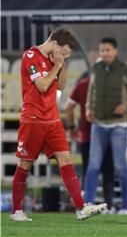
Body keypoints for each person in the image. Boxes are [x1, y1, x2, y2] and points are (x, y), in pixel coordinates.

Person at [10, 27, 106, 222]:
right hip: (33, 120)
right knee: (25, 164)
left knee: (66, 160)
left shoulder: (56, 58)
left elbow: (60, 86)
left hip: (52, 119)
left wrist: (64, 64)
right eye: (63, 51)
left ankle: (80, 208)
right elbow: (43, 86)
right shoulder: (31, 56)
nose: (63, 54)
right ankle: (17, 211)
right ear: (54, 43)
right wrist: (57, 64)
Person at [84, 37, 127, 214]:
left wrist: (126, 105)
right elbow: (91, 90)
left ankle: (126, 207)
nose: (104, 53)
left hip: (119, 125)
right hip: (98, 124)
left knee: (121, 166)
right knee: (93, 166)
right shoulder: (96, 68)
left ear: (115, 51)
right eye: (102, 50)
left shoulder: (125, 70)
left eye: (108, 50)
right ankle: (88, 205)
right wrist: (88, 107)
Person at [65, 75, 115, 212]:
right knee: (108, 172)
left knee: (89, 171)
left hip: (87, 136)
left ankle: (86, 204)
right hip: (108, 134)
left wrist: (72, 127)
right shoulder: (111, 85)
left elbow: (68, 107)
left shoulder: (82, 85)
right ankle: (109, 207)